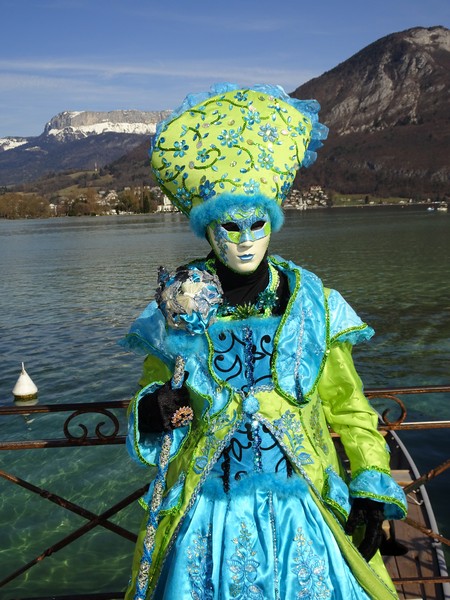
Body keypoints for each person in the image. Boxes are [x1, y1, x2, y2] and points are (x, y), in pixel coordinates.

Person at [120, 83, 407, 600]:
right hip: (208, 516)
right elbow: (152, 395)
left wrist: (370, 484)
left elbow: (350, 406)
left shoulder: (311, 301)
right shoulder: (178, 305)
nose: (247, 239)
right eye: (231, 226)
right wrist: (153, 409)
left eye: (258, 224)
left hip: (305, 509)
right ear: (209, 230)